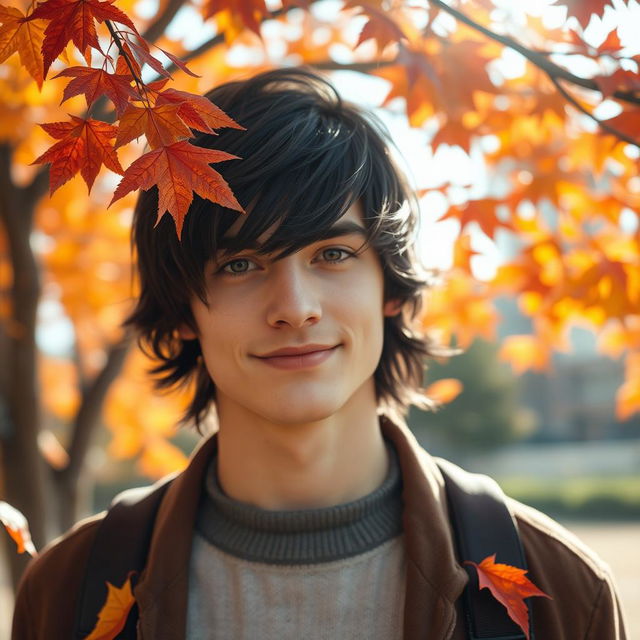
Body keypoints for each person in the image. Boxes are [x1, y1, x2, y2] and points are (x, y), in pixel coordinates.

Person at [12, 67, 626, 640]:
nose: (294, 307)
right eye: (241, 263)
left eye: (332, 254)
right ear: (183, 311)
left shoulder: (563, 590)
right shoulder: (70, 590)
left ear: (391, 285)